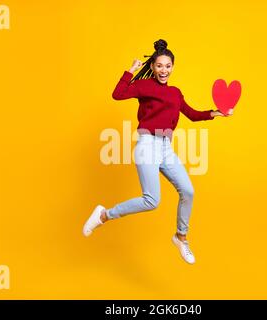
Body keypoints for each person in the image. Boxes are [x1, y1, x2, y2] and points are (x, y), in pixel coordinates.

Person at [83, 39, 231, 264]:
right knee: (152, 200)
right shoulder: (145, 86)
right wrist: (130, 71)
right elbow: (118, 94)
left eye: (168, 66)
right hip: (147, 145)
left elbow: (191, 113)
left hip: (165, 148)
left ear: (173, 67)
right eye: (159, 66)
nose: (164, 70)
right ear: (152, 66)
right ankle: (104, 214)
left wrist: (214, 112)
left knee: (188, 191)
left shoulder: (175, 92)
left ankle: (181, 237)